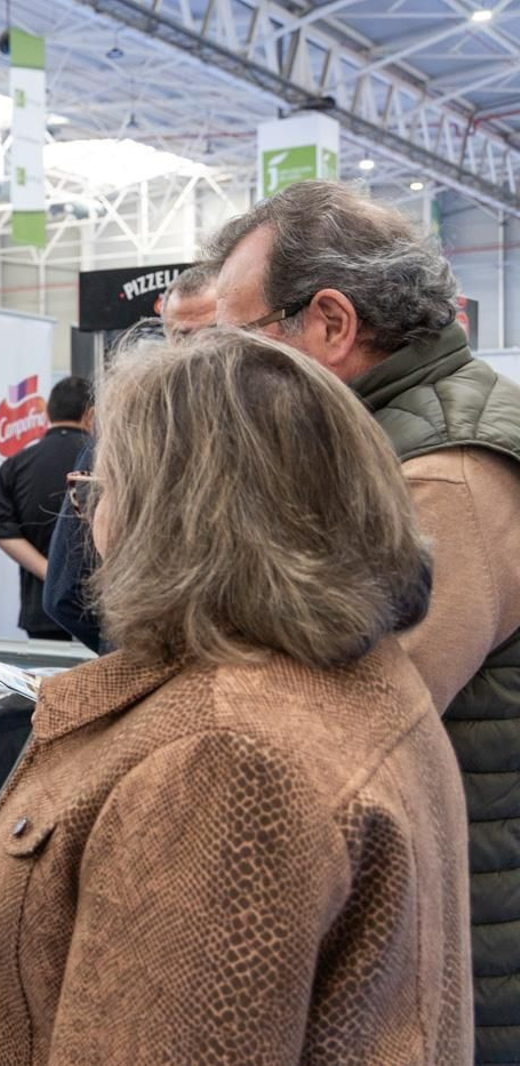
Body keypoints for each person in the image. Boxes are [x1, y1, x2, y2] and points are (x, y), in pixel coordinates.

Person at [0, 330, 470, 1062]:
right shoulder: (343, 673)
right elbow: (125, 893)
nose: (89, 517)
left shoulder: (225, 764)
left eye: (100, 488)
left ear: (175, 516)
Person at [206, 180, 520, 1061]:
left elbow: (352, 726)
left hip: (468, 933)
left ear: (331, 324)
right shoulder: (383, 444)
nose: (224, 371)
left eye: (238, 340)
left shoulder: (445, 473)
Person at [42, 266, 219, 652]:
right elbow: (66, 590)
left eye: (215, 333)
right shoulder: (124, 433)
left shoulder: (124, 429)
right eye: (185, 336)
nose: (200, 352)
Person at [0, 377, 94, 641]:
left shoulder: (15, 465)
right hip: (99, 607)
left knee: (48, 679)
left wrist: (51, 573)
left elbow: (3, 531)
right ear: (92, 414)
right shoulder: (106, 460)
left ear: (47, 413)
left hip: (42, 606)